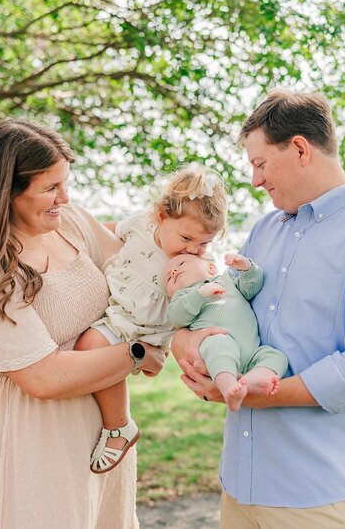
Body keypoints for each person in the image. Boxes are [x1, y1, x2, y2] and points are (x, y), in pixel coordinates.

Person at [172, 90, 345, 529]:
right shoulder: (265, 229)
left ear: (301, 148)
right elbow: (226, 308)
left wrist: (258, 396)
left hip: (318, 497)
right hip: (239, 485)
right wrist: (186, 341)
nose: (255, 180)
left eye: (260, 163)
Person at [0, 119, 167, 528]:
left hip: (106, 434)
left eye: (65, 183)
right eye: (50, 188)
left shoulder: (73, 224)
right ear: (7, 192)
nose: (64, 197)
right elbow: (44, 377)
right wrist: (136, 354)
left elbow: (137, 271)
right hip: (40, 436)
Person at [75, 164, 227, 474]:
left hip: (143, 328)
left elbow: (203, 295)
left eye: (204, 243)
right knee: (94, 352)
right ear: (160, 216)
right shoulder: (138, 226)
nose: (194, 249)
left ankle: (119, 427)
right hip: (121, 313)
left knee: (91, 347)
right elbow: (105, 231)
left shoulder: (196, 262)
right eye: (187, 238)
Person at [165, 253, 288, 411]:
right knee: (219, 345)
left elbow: (250, 289)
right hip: (218, 341)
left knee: (276, 356)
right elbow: (177, 318)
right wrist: (200, 293)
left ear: (211, 268)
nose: (173, 272)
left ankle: (252, 380)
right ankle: (229, 388)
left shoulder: (227, 279)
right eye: (168, 278)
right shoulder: (183, 295)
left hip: (253, 351)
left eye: (181, 264)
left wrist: (247, 268)